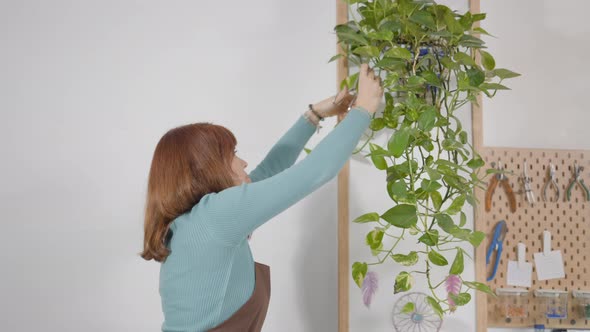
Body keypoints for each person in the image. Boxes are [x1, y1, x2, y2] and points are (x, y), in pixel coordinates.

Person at [140, 63, 384, 331]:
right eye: (232, 154)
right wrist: (363, 110)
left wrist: (314, 115)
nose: (243, 162)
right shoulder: (216, 215)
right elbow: (315, 171)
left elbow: (269, 171)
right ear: (206, 168)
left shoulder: (196, 222)